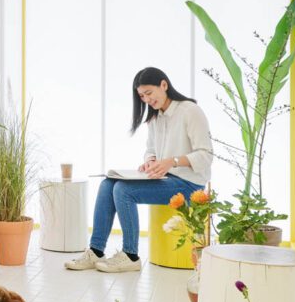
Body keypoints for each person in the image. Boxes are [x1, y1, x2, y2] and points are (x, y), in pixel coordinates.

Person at [65, 66, 213, 273]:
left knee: (123, 190)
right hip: (165, 179)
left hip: (190, 184)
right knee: (108, 184)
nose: (146, 100)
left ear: (164, 85)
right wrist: (150, 160)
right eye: (142, 96)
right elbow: (150, 149)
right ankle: (96, 251)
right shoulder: (156, 117)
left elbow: (206, 156)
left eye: (149, 93)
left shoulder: (190, 111)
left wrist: (172, 161)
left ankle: (131, 255)